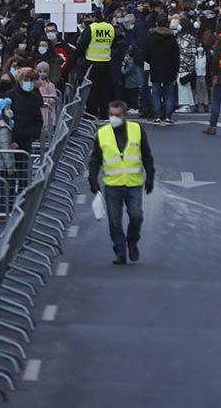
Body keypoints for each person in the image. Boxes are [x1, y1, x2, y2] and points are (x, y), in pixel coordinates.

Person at [88, 100, 155, 265]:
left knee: (136, 216)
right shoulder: (102, 133)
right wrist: (93, 179)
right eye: (111, 115)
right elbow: (95, 159)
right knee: (114, 221)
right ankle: (120, 251)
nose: (113, 118)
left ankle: (132, 242)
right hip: (112, 184)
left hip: (133, 183)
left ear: (125, 115)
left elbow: (146, 154)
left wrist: (150, 176)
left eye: (117, 115)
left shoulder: (137, 129)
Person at [77, 15, 116, 119]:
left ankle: (92, 113)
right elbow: (114, 44)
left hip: (92, 63)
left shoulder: (92, 28)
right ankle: (104, 114)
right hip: (106, 62)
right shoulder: (110, 28)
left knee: (91, 91)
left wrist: (81, 59)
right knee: (105, 90)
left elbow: (82, 45)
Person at [144, 20, 180, 125]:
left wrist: (151, 61)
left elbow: (145, 53)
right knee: (169, 93)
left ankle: (157, 115)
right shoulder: (171, 38)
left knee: (156, 93)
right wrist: (176, 68)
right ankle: (168, 116)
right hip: (169, 68)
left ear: (157, 24)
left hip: (155, 66)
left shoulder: (151, 37)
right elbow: (176, 55)